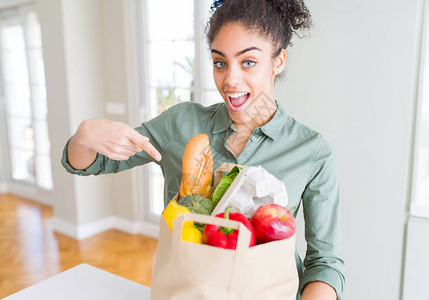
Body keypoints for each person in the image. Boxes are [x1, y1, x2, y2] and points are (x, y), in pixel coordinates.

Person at [61, 0, 345, 299]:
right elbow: (91, 163)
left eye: (248, 62)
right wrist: (84, 137)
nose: (230, 80)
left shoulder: (311, 150)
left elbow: (325, 262)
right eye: (220, 62)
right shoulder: (181, 124)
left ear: (278, 61)